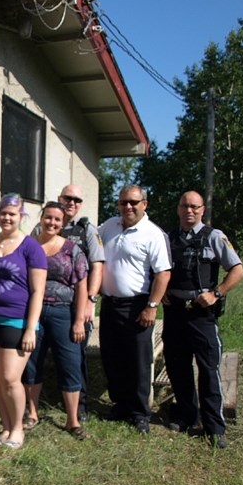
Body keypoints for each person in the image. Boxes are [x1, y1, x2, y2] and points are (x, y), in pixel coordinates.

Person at [162, 191, 243, 449]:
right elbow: (158, 269)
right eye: (185, 206)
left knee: (209, 370)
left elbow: (238, 270)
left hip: (202, 314)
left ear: (202, 210)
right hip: (174, 312)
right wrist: (161, 289)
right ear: (178, 209)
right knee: (178, 367)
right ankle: (187, 416)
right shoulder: (168, 239)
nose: (189, 211)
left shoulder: (214, 237)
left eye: (195, 207)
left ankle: (214, 427)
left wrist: (217, 293)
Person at [98, 184, 171, 434]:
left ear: (144, 204)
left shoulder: (153, 234)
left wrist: (152, 307)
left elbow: (163, 273)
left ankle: (140, 413)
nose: (128, 207)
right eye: (123, 202)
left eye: (133, 202)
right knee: (112, 357)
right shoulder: (108, 227)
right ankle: (120, 405)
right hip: (110, 304)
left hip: (138, 306)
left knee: (139, 361)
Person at [0, 193, 47, 449]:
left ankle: (18, 428)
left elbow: (38, 291)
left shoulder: (31, 247)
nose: (7, 218)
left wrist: (31, 328)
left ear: (21, 217)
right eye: (3, 213)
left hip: (17, 320)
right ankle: (6, 426)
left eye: (12, 214)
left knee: (10, 377)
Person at [32, 184, 104, 420]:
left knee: (74, 359)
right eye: (67, 198)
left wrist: (88, 303)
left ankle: (78, 411)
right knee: (34, 359)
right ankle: (35, 409)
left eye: (76, 199)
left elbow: (95, 267)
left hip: (70, 308)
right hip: (37, 308)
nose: (71, 202)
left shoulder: (87, 232)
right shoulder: (34, 235)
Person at [23, 201, 89, 437]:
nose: (52, 222)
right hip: (33, 312)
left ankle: (73, 420)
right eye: (48, 217)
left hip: (63, 312)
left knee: (70, 363)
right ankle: (32, 413)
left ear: (63, 223)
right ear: (41, 218)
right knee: (31, 362)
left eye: (57, 219)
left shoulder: (72, 249)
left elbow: (82, 285)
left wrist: (79, 319)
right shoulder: (29, 245)